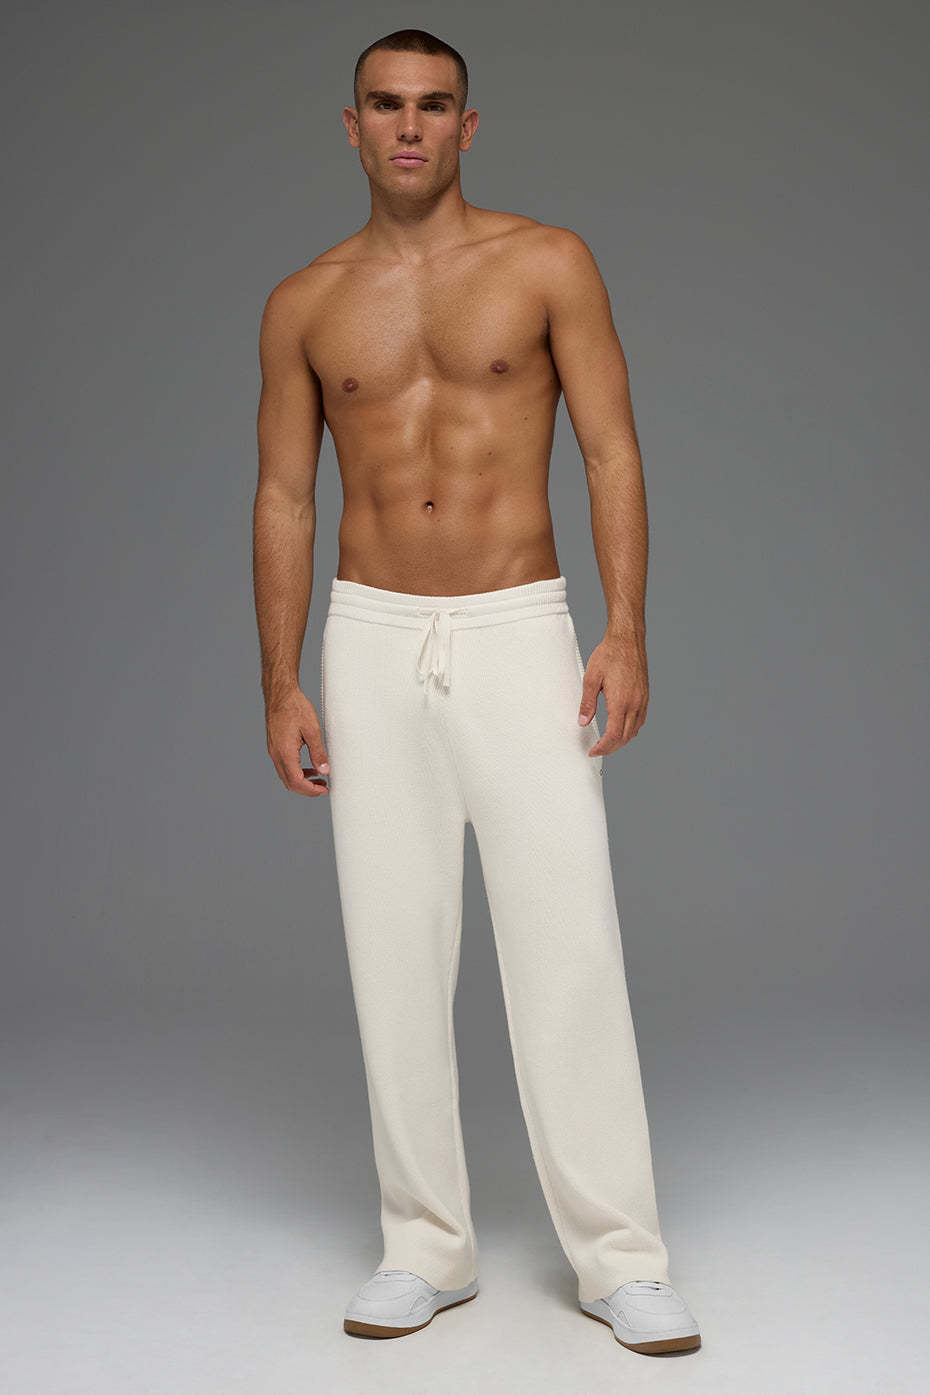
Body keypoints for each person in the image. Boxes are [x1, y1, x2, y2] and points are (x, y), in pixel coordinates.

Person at [252, 28, 701, 1356]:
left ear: (467, 126)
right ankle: (424, 1246)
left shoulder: (547, 262)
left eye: (433, 105)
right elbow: (284, 498)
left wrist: (625, 630)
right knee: (392, 944)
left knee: (568, 939)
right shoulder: (304, 302)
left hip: (516, 624)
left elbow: (612, 451)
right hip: (371, 633)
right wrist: (279, 677)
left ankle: (620, 1258)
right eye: (386, 105)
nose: (409, 126)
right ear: (351, 126)